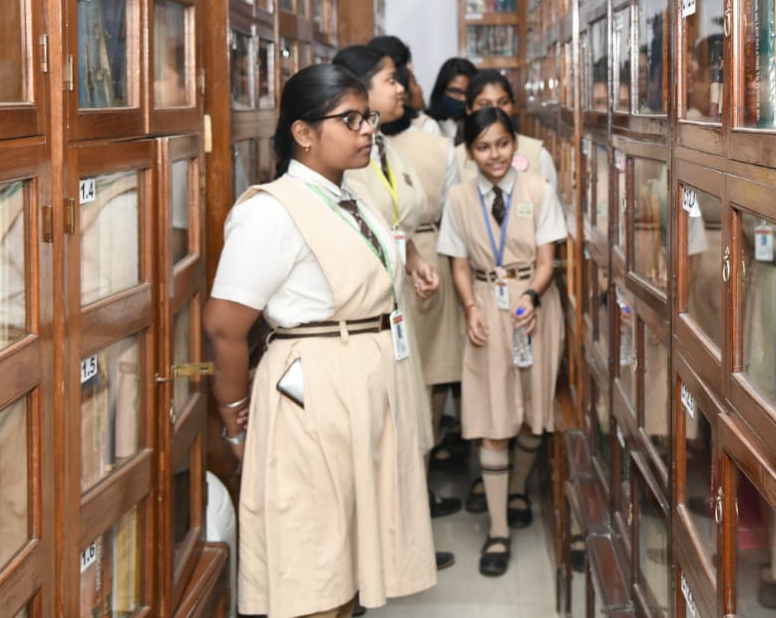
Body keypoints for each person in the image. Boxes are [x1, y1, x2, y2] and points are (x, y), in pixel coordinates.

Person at [203, 64, 436, 618]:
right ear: (304, 133)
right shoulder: (270, 211)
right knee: (316, 559)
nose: (367, 130)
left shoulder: (348, 196)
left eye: (368, 117)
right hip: (314, 392)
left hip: (363, 385)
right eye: (350, 120)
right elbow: (223, 326)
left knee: (349, 552)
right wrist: (234, 418)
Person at [332, 45, 462, 563]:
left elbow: (394, 223)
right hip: (366, 317)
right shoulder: (343, 157)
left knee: (407, 424)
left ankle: (402, 543)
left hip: (399, 304)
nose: (401, 87)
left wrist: (413, 262)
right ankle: (378, 554)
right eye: (390, 79)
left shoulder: (384, 145)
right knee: (378, 434)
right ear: (359, 88)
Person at [436, 107, 567, 577]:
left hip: (534, 307)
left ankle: (517, 490)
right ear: (470, 153)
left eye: (502, 143)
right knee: (493, 416)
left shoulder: (539, 190)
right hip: (486, 309)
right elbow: (457, 264)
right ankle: (498, 530)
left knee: (533, 413)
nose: (494, 155)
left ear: (515, 144)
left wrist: (531, 296)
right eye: (483, 146)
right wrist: (470, 307)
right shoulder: (458, 199)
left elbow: (548, 260)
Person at [442, 70, 559, 199]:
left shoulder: (538, 154)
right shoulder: (456, 158)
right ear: (469, 109)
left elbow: (550, 204)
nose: (496, 110)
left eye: (503, 102)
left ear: (513, 105)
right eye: (485, 104)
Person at [425, 58, 476, 141]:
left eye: (468, 92)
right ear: (441, 90)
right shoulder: (428, 126)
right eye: (456, 92)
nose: (463, 98)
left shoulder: (478, 124)